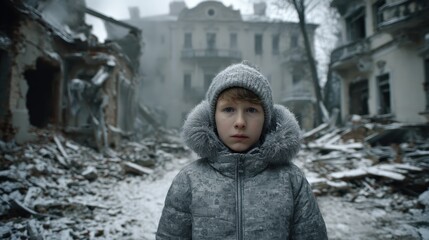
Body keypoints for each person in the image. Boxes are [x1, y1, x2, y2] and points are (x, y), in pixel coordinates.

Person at [156, 61, 327, 239]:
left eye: (251, 110)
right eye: (228, 109)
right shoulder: (188, 180)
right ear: (212, 117)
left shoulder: (292, 181)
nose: (240, 122)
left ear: (266, 119)